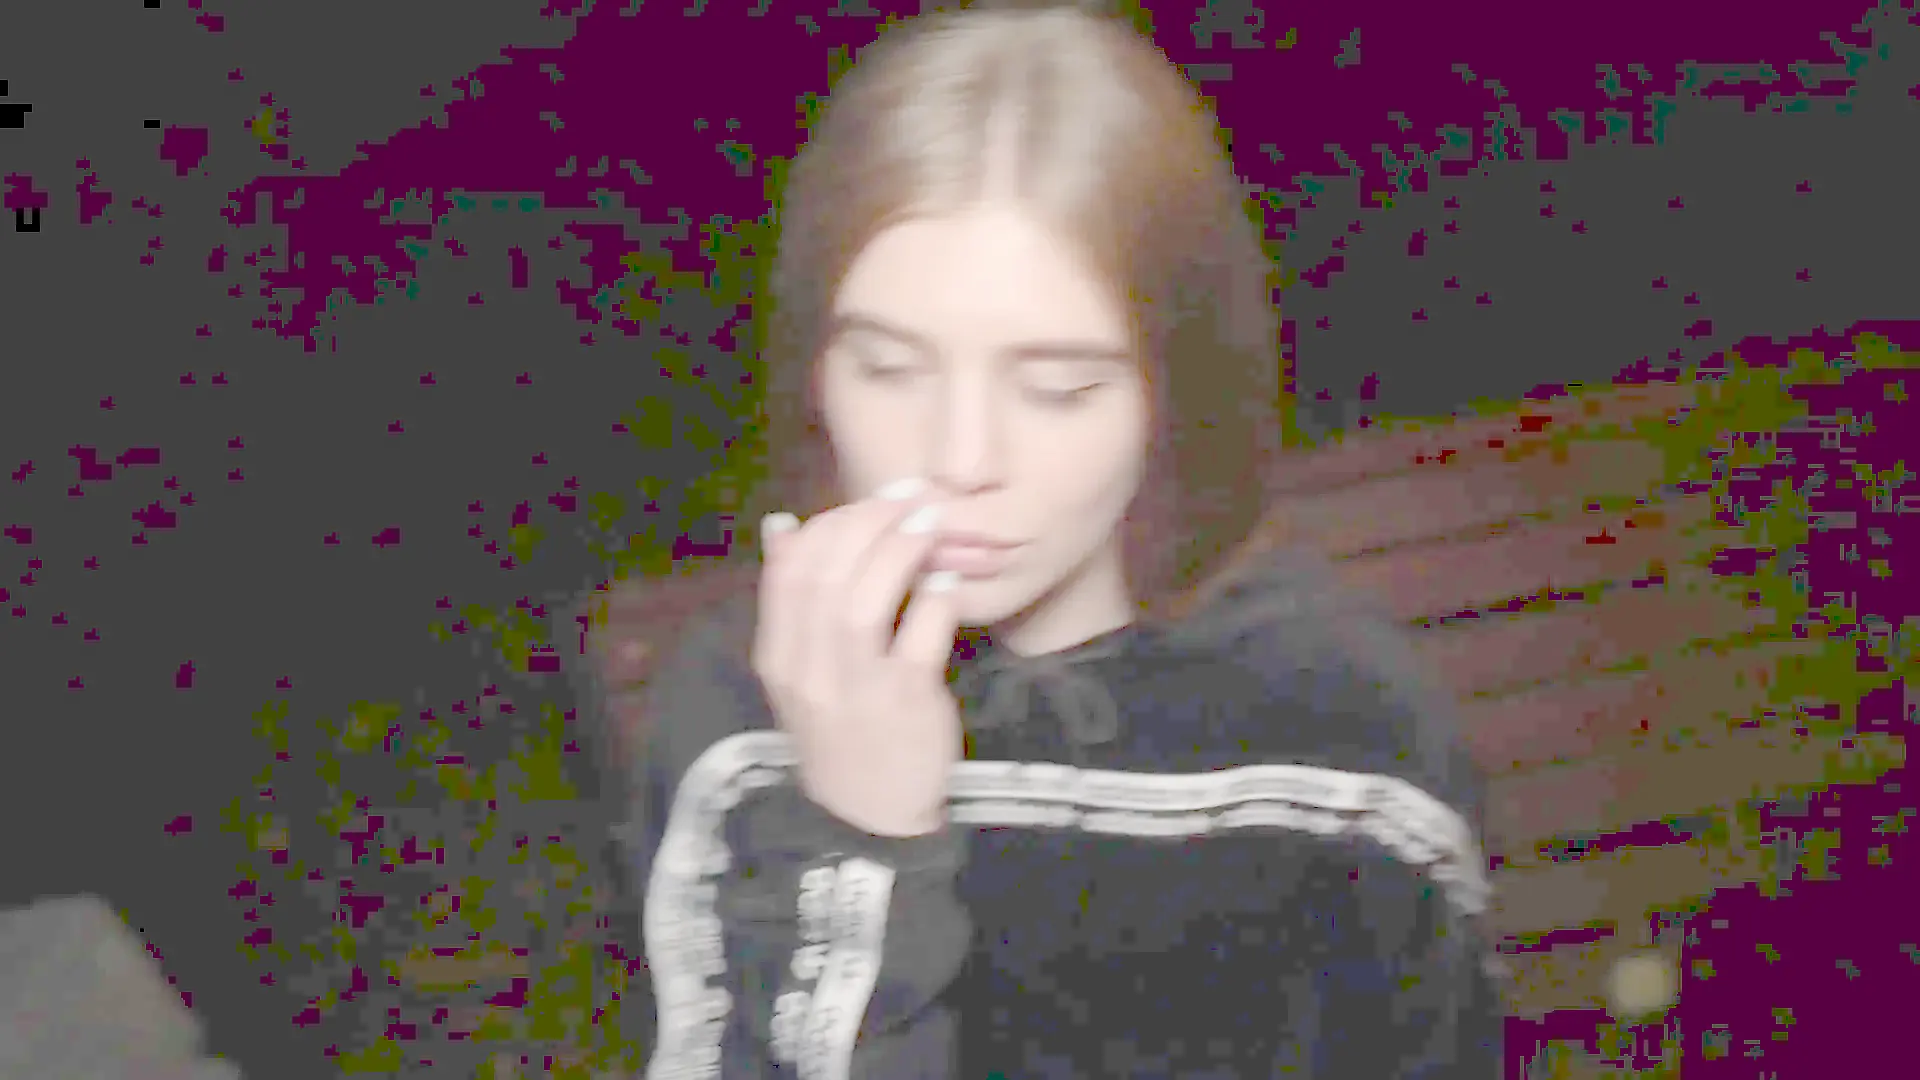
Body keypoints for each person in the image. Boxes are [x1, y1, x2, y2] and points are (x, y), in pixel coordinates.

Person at [572, 2, 1507, 1076]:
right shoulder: (746, 712)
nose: (962, 455)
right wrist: (856, 839)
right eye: (888, 367)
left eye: (1059, 385)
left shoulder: (1339, 728)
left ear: (1176, 387)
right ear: (813, 371)